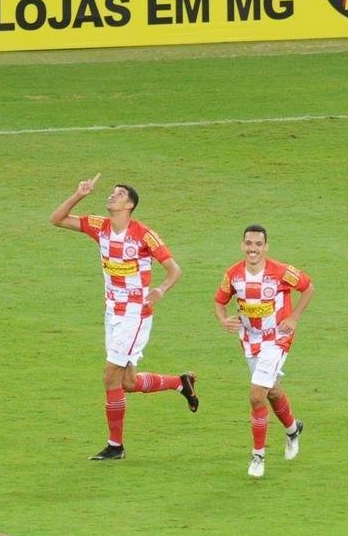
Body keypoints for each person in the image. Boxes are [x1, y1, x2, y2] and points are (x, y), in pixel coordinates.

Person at [50, 173, 199, 460]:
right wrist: (79, 194)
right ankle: (181, 382)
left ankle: (115, 446)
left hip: (135, 314)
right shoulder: (100, 227)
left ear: (129, 205)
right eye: (112, 193)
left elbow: (174, 269)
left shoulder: (144, 234)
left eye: (118, 194)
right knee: (127, 383)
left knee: (110, 377)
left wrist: (161, 289)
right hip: (112, 312)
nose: (111, 196)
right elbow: (56, 219)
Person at [214, 225, 315, 478]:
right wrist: (224, 320)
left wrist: (294, 317)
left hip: (277, 338)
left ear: (266, 247)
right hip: (250, 340)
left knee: (256, 394)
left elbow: (308, 287)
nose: (253, 249)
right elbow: (219, 301)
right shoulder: (233, 275)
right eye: (249, 244)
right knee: (272, 390)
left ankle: (258, 456)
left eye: (258, 244)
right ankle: (293, 429)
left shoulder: (280, 272)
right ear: (242, 245)